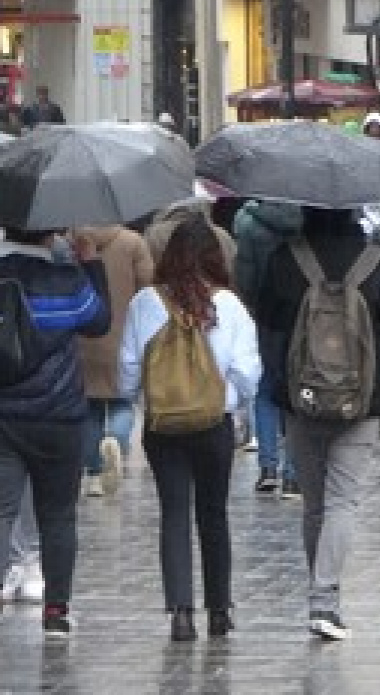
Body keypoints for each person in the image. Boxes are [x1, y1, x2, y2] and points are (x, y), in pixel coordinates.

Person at [255, 206, 380, 641]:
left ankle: (321, 596)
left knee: (314, 504)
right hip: (360, 402)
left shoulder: (284, 260)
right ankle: (324, 598)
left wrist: (278, 390)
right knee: (342, 501)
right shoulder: (379, 263)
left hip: (300, 400)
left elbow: (268, 331)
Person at [118, 218, 260, 642]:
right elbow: (247, 373)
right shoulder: (229, 306)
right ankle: (219, 609)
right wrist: (231, 402)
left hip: (164, 425)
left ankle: (180, 610)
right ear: (216, 258)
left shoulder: (147, 302)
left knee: (174, 513)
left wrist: (141, 399)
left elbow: (128, 368)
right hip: (213, 423)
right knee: (213, 515)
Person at [0, 226, 109, 638]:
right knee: (58, 515)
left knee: (2, 510)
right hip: (58, 416)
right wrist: (92, 262)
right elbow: (99, 321)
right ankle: (57, 610)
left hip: (4, 414)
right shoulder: (66, 281)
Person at [72, 222, 154, 497]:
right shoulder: (133, 243)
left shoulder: (75, 240)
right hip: (123, 335)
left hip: (84, 337)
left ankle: (94, 473)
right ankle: (116, 444)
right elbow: (147, 286)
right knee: (122, 402)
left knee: (90, 409)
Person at [233, 200, 304, 498]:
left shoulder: (250, 225)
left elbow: (245, 278)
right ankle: (293, 475)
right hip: (302, 315)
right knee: (297, 391)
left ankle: (268, 468)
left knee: (266, 388)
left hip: (266, 316)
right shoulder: (306, 223)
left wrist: (254, 304)